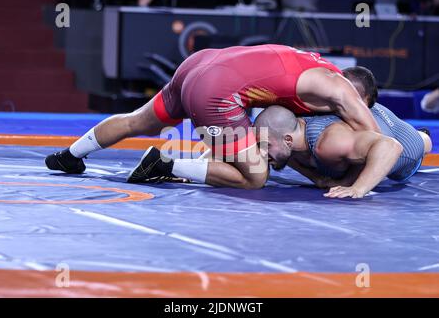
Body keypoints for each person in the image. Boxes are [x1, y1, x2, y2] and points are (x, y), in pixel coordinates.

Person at [45, 44, 379, 190]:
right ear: (359, 95)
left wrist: (316, 177)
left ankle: (69, 156)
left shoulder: (315, 67)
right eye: (362, 105)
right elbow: (376, 138)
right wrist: (360, 182)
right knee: (255, 177)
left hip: (199, 65)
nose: (351, 113)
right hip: (217, 93)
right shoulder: (338, 89)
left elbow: (273, 135)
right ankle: (165, 164)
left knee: (137, 120)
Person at [252, 103, 432, 198]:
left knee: (421, 145)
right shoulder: (287, 143)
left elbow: (391, 147)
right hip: (365, 125)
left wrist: (358, 188)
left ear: (288, 140)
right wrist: (318, 179)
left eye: (266, 146)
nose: (262, 153)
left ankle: (423, 136)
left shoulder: (328, 143)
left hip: (403, 143)